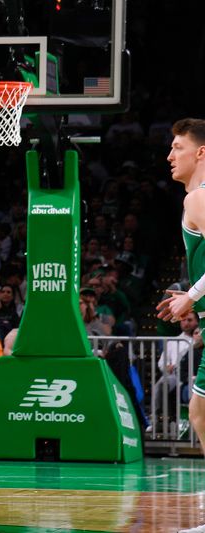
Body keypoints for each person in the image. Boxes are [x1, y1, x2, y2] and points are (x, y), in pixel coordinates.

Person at [158, 121, 205, 533]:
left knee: (200, 409)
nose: (170, 156)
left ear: (201, 153)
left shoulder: (198, 199)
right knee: (199, 408)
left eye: (178, 147)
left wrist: (191, 296)